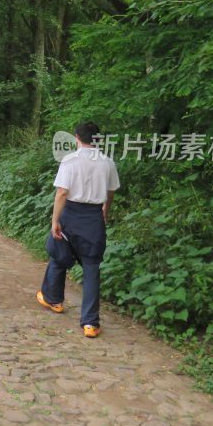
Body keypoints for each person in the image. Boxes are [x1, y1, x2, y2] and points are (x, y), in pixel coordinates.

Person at [36, 121, 120, 338]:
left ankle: (54, 300)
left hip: (71, 215)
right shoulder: (108, 162)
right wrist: (105, 210)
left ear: (76, 137)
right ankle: (90, 324)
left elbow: (62, 192)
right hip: (93, 217)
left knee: (60, 255)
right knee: (92, 266)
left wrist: (55, 220)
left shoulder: (70, 160)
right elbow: (110, 193)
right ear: (98, 139)